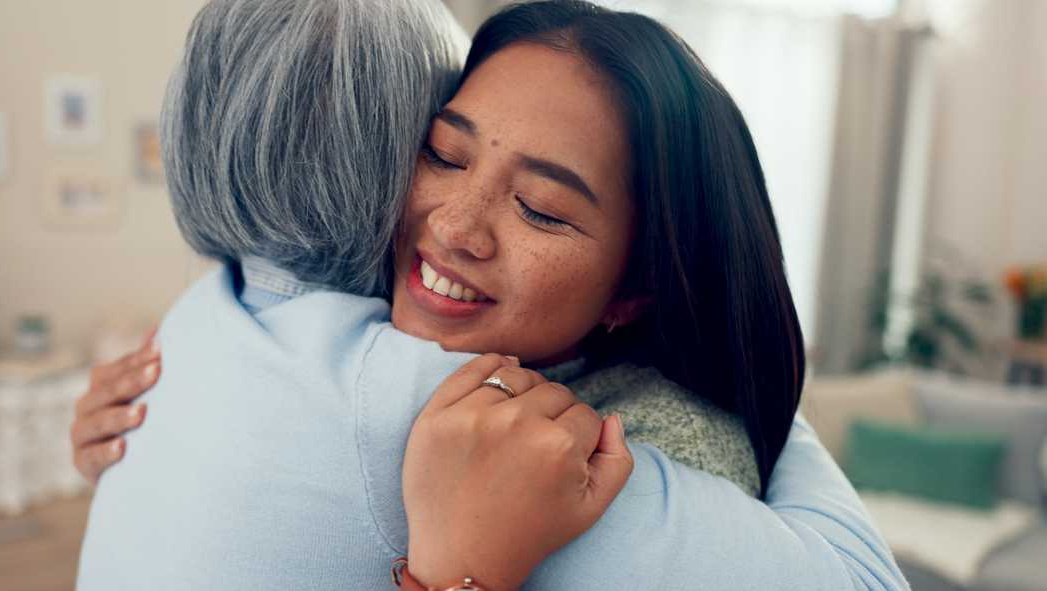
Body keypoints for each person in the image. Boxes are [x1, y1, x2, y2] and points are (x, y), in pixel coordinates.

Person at [75, 1, 908, 590]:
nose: (456, 225)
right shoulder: (335, 329)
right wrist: (157, 441)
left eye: (541, 209)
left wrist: (457, 575)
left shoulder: (658, 447)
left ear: (634, 291)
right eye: (441, 154)